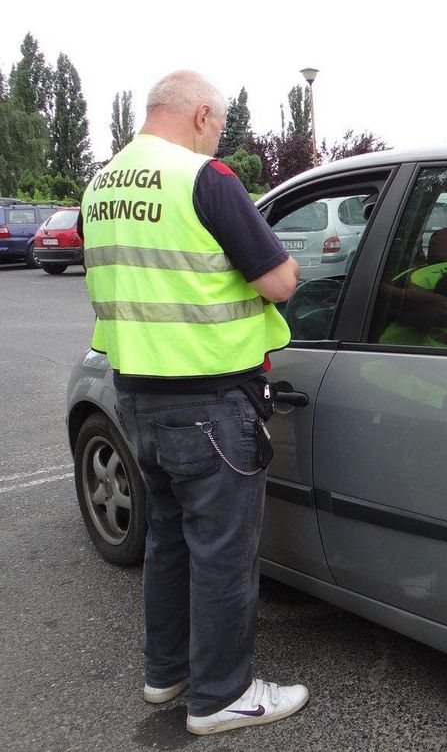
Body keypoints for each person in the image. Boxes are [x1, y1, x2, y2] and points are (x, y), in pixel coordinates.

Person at [80, 70, 307, 735]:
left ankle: (167, 672)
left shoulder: (100, 186)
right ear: (202, 113)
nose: (220, 138)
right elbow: (280, 280)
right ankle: (222, 694)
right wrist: (288, 269)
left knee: (170, 541)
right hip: (210, 401)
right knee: (224, 552)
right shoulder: (204, 179)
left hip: (137, 397)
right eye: (220, 125)